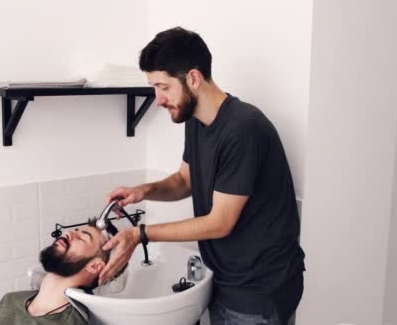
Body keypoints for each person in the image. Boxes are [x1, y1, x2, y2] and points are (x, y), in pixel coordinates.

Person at [99, 27, 306, 325]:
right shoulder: (197, 120)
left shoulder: (243, 129)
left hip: (258, 289)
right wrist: (143, 191)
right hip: (225, 279)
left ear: (193, 78)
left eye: (163, 87)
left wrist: (139, 234)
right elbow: (184, 180)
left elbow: (220, 223)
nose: (157, 99)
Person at [0, 219, 111, 325]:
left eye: (81, 238)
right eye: (75, 231)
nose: (68, 233)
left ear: (95, 266)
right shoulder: (9, 301)